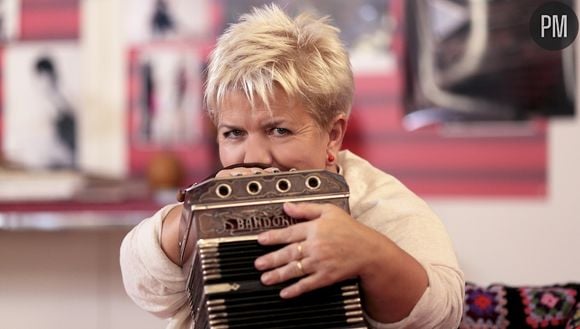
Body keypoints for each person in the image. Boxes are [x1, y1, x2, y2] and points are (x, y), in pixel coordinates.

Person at [120, 4, 464, 329]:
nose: (253, 155)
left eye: (278, 130)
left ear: (332, 135)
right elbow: (144, 284)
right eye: (234, 133)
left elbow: (444, 313)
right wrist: (192, 224)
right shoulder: (212, 196)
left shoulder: (374, 200)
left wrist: (369, 253)